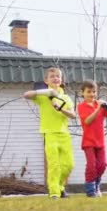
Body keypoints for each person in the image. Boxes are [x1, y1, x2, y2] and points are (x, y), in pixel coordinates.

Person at [23, 67, 76, 199]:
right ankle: (54, 192)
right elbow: (26, 95)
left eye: (58, 76)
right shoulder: (43, 96)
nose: (55, 78)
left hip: (64, 135)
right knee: (54, 164)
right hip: (49, 134)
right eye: (52, 76)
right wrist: (47, 92)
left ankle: (59, 186)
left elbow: (73, 115)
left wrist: (61, 109)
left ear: (61, 80)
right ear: (46, 80)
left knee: (68, 165)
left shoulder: (65, 97)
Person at [77, 80, 107, 197]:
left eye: (94, 92)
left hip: (100, 142)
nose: (92, 94)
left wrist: (106, 105)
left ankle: (96, 184)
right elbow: (87, 121)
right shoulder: (81, 106)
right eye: (89, 92)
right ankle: (90, 191)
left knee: (102, 165)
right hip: (88, 142)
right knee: (91, 166)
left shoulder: (99, 105)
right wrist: (98, 109)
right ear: (82, 93)